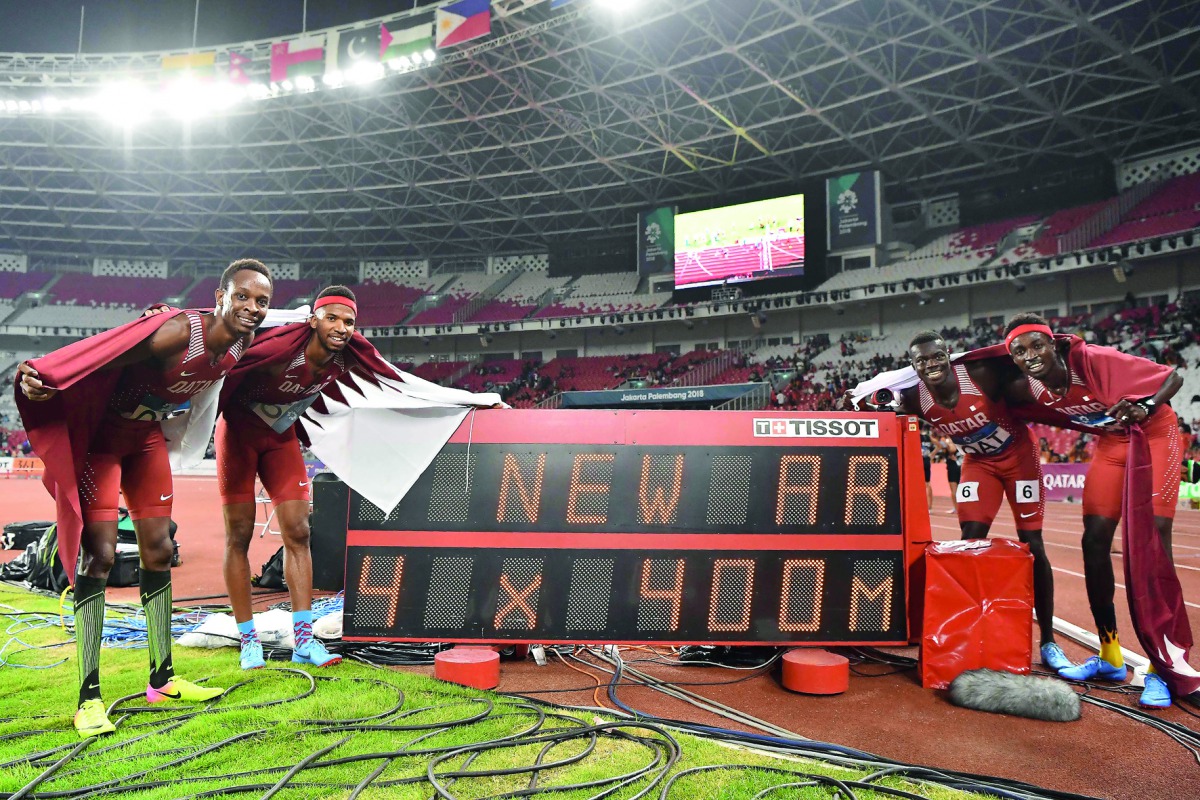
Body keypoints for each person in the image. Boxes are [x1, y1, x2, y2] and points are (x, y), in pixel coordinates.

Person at [15, 258, 273, 738]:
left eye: (261, 301)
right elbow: (103, 356)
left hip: (146, 441)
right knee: (101, 557)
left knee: (159, 550)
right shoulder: (179, 332)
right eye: (242, 296)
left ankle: (162, 679)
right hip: (102, 443)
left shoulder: (243, 342)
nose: (252, 308)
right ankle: (88, 698)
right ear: (220, 296)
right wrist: (48, 377)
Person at [843, 331, 1069, 670]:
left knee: (1032, 542)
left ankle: (1049, 641)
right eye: (922, 360)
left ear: (948, 355)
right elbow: (881, 409)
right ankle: (969, 629)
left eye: (936, 357)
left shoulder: (980, 376)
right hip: (979, 464)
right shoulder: (916, 398)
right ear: (914, 366)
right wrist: (856, 401)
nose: (930, 364)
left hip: (1019, 458)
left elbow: (1025, 379)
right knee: (969, 544)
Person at [1000, 313, 1185, 708]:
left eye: (1037, 345)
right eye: (1019, 350)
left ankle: (1162, 667)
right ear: (1012, 358)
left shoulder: (1094, 360)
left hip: (1154, 433)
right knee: (1094, 540)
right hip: (1112, 443)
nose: (1030, 355)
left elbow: (1173, 377)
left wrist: (1147, 406)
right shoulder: (1032, 387)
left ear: (1054, 344)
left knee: (1154, 543)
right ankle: (1110, 654)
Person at [217, 287, 378, 670]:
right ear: (313, 319)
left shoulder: (347, 359)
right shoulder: (281, 346)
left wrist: (473, 399)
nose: (341, 327)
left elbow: (397, 384)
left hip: (279, 440)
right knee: (238, 536)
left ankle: (304, 641)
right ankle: (247, 639)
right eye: (332, 318)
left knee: (299, 531)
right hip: (237, 437)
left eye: (349, 321)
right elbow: (229, 334)